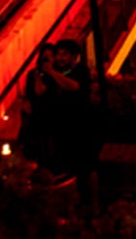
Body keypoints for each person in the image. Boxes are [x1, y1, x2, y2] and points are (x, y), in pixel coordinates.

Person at [23, 40, 92, 178]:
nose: (60, 58)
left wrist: (52, 72)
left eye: (64, 54)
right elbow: (39, 92)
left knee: (82, 168)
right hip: (54, 126)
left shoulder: (80, 70)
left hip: (78, 125)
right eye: (58, 55)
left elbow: (74, 86)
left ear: (74, 56)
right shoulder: (50, 73)